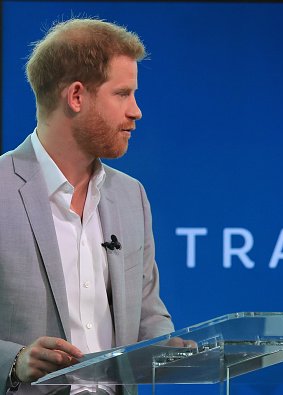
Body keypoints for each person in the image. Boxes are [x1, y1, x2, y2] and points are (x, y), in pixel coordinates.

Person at [0, 18, 175, 394]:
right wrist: (12, 361)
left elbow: (148, 315)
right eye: (123, 94)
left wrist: (182, 348)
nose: (136, 111)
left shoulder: (131, 196)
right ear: (77, 96)